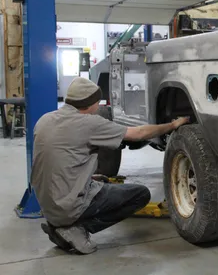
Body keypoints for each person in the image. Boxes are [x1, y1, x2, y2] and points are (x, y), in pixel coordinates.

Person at [31, 77, 189, 255]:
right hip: (69, 207)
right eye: (97, 102)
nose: (98, 106)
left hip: (48, 206)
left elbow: (60, 161)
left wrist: (87, 178)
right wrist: (173, 124)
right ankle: (76, 228)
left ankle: (58, 226)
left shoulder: (45, 120)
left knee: (102, 184)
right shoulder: (89, 123)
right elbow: (138, 133)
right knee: (140, 194)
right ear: (89, 103)